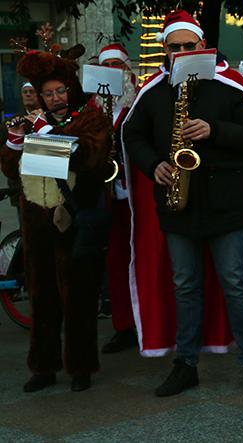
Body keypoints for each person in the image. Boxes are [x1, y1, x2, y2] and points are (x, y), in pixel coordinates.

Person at [123, 10, 243, 397]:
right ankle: (185, 365)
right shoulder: (154, 90)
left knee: (236, 283)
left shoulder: (228, 85)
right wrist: (153, 163)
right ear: (165, 50)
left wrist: (215, 130)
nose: (181, 53)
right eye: (174, 47)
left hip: (226, 202)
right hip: (177, 203)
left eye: (188, 46)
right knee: (185, 286)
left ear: (203, 46)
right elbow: (132, 135)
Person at [0, 46, 112, 392]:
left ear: (71, 88)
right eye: (47, 94)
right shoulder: (34, 120)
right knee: (41, 295)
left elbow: (89, 157)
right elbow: (10, 168)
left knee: (78, 297)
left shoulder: (91, 119)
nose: (54, 98)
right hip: (36, 219)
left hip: (74, 218)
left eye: (60, 91)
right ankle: (43, 367)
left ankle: (80, 367)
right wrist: (15, 141)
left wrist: (47, 133)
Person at [96, 43, 138, 353]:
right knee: (115, 260)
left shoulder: (138, 101)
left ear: (127, 69)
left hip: (137, 193)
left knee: (145, 257)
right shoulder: (92, 109)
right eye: (105, 65)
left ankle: (152, 320)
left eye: (116, 65)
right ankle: (124, 325)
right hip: (108, 196)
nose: (112, 71)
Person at [0, 82, 41, 223]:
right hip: (20, 188)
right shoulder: (11, 122)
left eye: (32, 91)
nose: (28, 94)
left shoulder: (49, 119)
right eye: (25, 92)